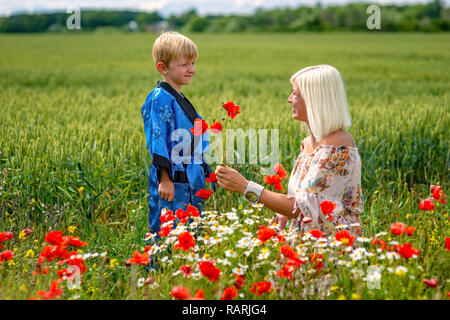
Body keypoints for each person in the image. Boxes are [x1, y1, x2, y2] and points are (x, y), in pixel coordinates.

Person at [215, 65, 363, 237]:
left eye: (295, 93)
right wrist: (284, 212)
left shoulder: (338, 145)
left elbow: (304, 207)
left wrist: (245, 187)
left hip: (333, 246)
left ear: (314, 99)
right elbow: (303, 202)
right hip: (304, 244)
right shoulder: (308, 144)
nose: (289, 99)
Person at [141, 32, 213, 237]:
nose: (191, 69)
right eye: (184, 64)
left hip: (189, 179)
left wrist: (204, 170)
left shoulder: (179, 96)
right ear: (163, 68)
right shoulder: (159, 98)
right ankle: (160, 269)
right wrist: (164, 178)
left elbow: (195, 132)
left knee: (189, 233)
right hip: (172, 180)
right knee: (168, 232)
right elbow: (158, 138)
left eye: (193, 63)